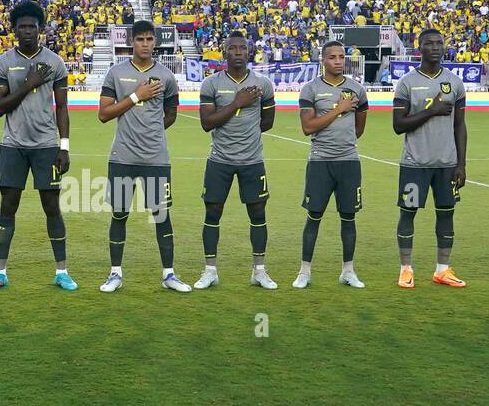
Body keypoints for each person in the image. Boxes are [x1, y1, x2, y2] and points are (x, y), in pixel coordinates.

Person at [0, 0, 75, 292]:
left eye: (31, 26)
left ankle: (62, 272)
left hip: (46, 146)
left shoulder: (56, 63)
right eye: (21, 26)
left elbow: (62, 107)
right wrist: (28, 83)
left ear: (40, 29)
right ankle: (0, 272)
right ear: (14, 30)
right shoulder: (4, 63)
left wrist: (64, 146)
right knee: (7, 206)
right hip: (13, 144)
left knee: (52, 207)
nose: (26, 31)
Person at [96, 20, 190, 293]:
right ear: (131, 42)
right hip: (122, 156)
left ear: (155, 42)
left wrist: (153, 133)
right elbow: (104, 114)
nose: (146, 44)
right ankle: (115, 273)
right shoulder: (116, 73)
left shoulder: (166, 76)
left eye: (150, 39)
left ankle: (169, 274)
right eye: (140, 39)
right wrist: (137, 96)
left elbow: (171, 112)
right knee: (120, 214)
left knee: (162, 215)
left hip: (156, 158)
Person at [195, 30, 278, 290]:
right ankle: (210, 271)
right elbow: (207, 123)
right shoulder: (211, 83)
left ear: (249, 51)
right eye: (233, 48)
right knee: (213, 211)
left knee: (257, 211)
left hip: (252, 160)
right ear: (224, 51)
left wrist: (245, 128)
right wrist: (238, 103)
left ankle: (259, 271)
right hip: (220, 160)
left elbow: (268, 122)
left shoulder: (263, 84)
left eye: (243, 48)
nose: (239, 53)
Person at [392, 28, 468, 288]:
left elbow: (460, 125)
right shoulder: (407, 83)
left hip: (446, 165)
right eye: (430, 43)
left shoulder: (455, 83)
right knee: (408, 213)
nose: (436, 47)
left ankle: (442, 270)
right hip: (415, 164)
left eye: (439, 43)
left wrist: (461, 163)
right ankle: (405, 269)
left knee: (446, 214)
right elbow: (398, 125)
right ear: (419, 48)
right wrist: (431, 109)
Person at [294, 41, 369, 289]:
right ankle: (304, 271)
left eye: (341, 57)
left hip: (348, 161)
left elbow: (359, 127)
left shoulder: (357, 89)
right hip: (320, 161)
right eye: (332, 57)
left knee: (348, 217)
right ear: (323, 61)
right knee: (313, 216)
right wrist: (339, 110)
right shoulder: (311, 89)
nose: (338, 61)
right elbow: (308, 127)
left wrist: (343, 131)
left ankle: (348, 270)